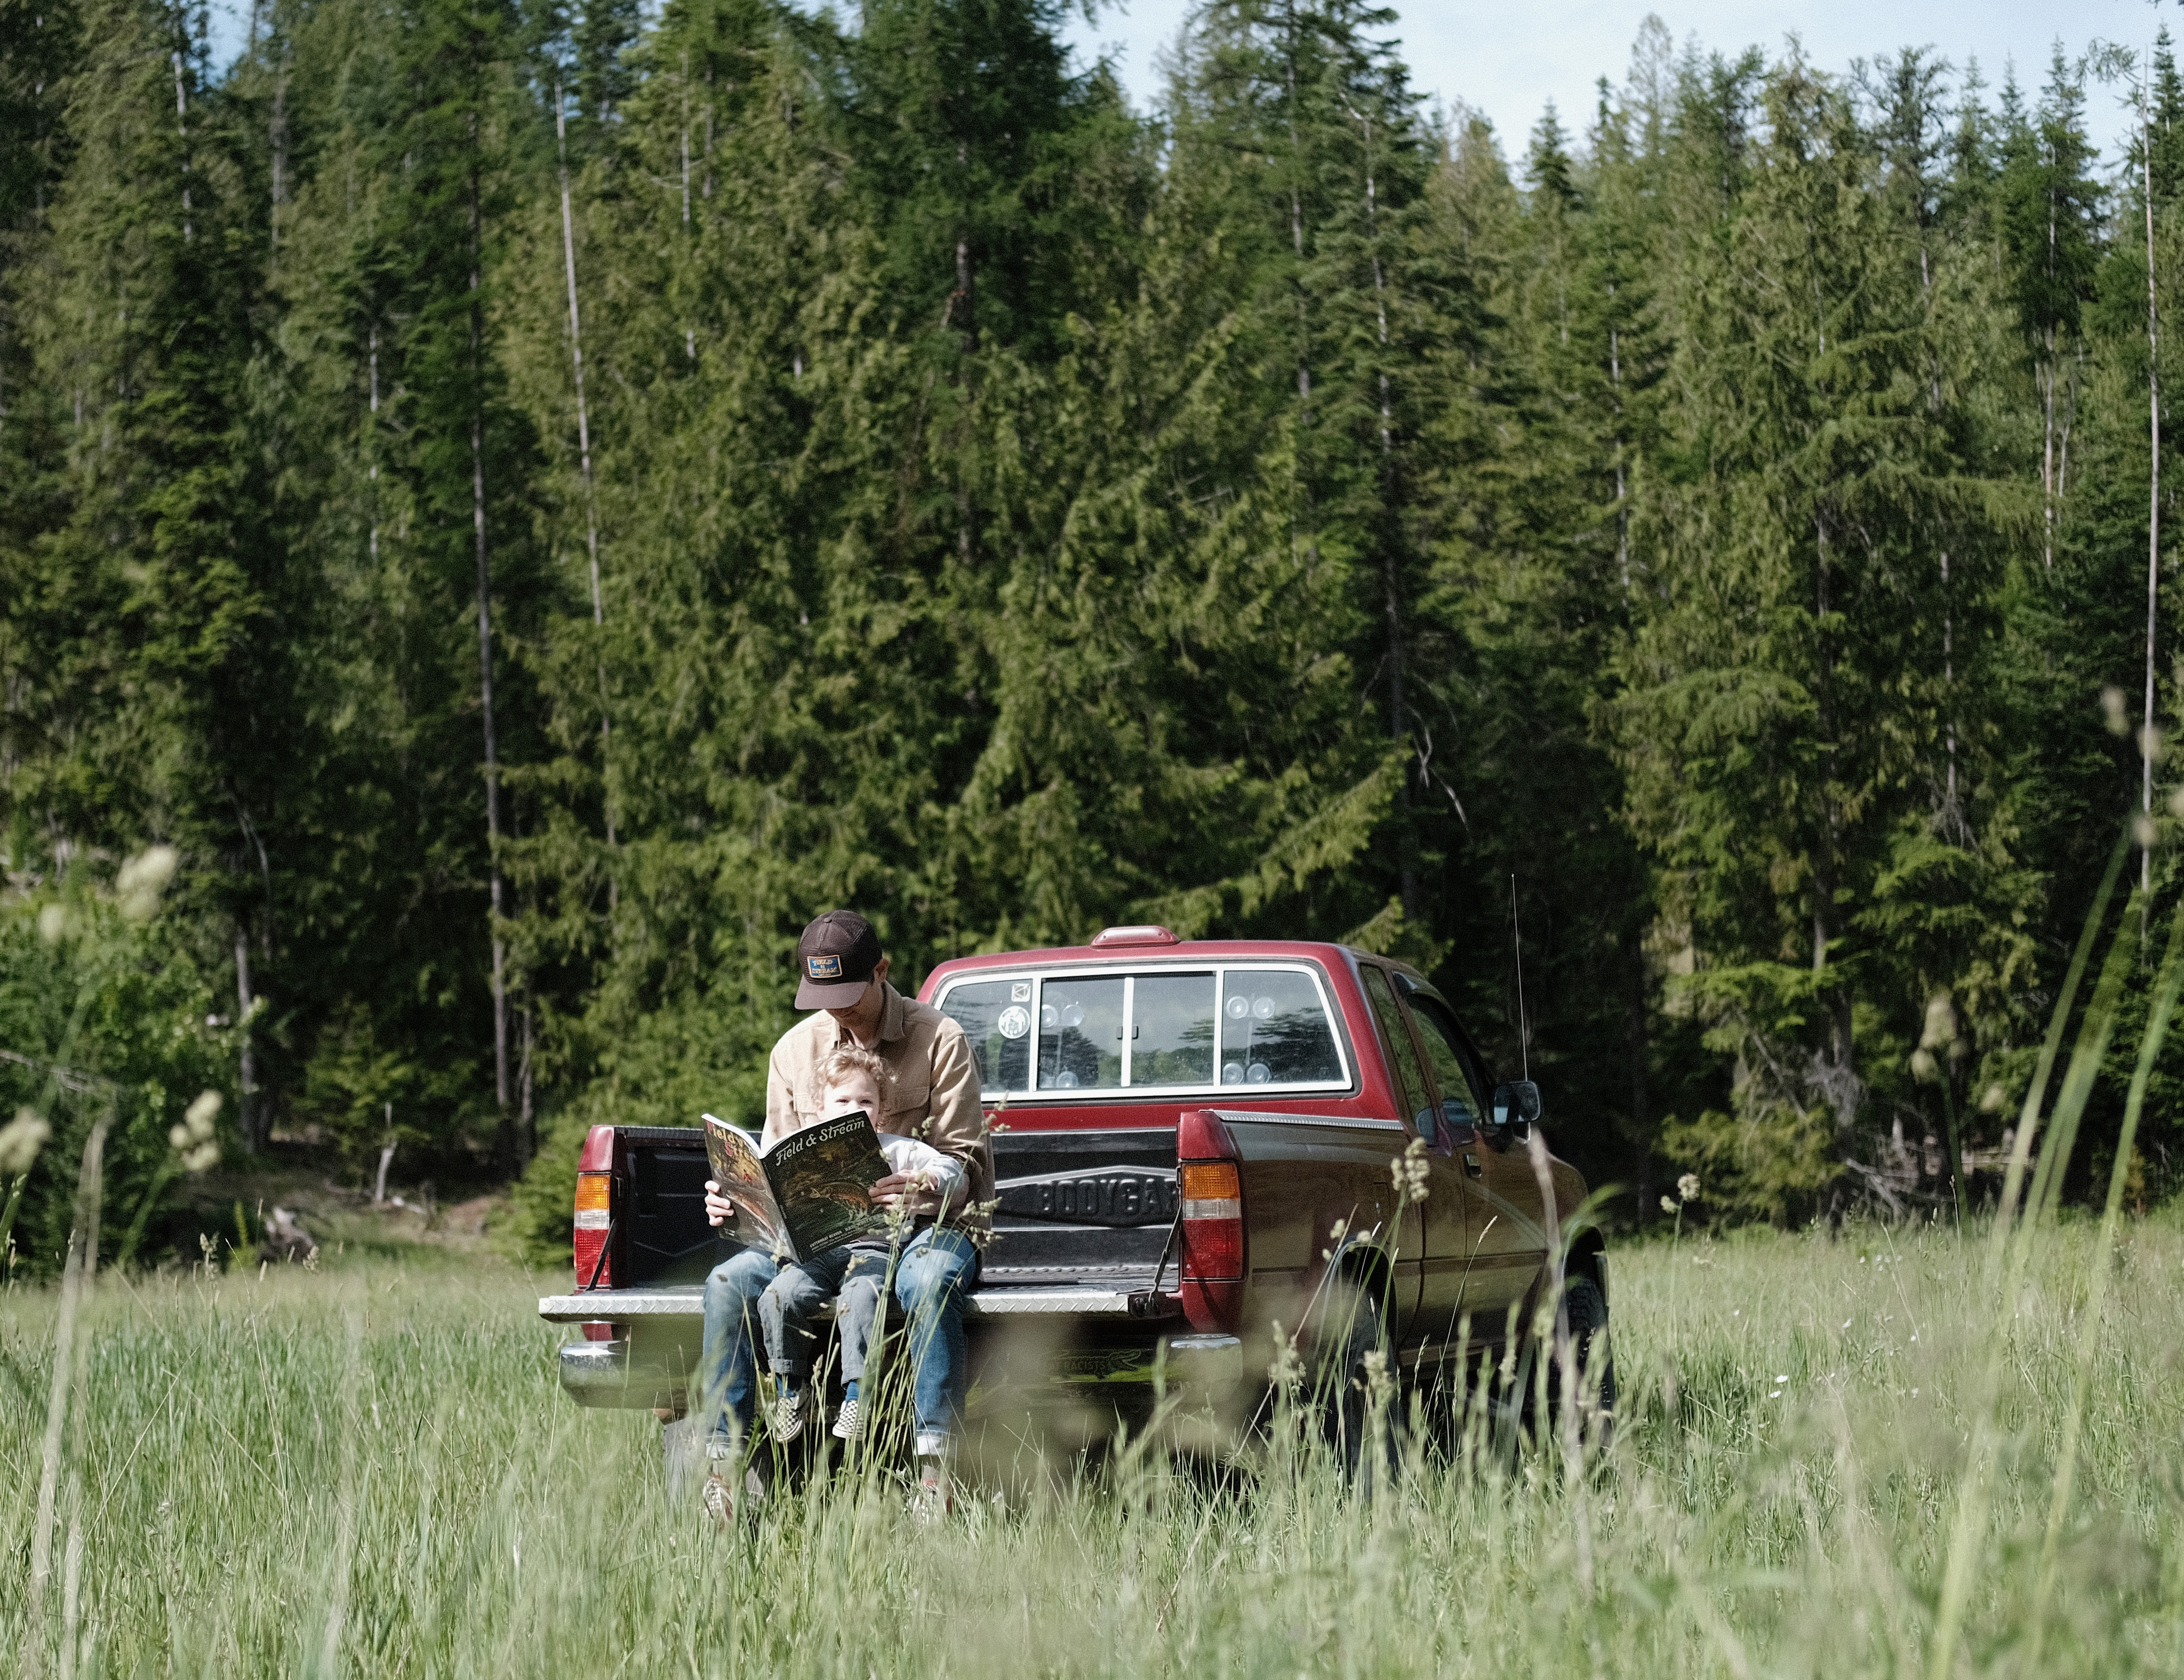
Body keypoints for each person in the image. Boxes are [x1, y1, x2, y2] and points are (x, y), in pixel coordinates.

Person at [696, 910, 991, 1520]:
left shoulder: (940, 1039)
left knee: (927, 1281)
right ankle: (723, 1475)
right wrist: (734, 1198)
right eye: (821, 997)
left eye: (848, 995)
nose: (836, 1011)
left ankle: (934, 1475)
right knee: (726, 1284)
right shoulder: (792, 1050)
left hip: (919, 1230)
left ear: (881, 971)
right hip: (813, 1238)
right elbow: (774, 1165)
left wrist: (920, 1190)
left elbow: (968, 1163)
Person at [752, 1043, 965, 1445]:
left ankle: (857, 1397)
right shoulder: (802, 1148)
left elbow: (951, 1169)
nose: (854, 1107)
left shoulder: (896, 1149)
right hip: (815, 1253)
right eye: (842, 1099)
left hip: (874, 1252)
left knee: (863, 1297)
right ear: (820, 1106)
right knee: (779, 1295)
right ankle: (789, 1390)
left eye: (865, 1100)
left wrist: (929, 1180)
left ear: (881, 1110)